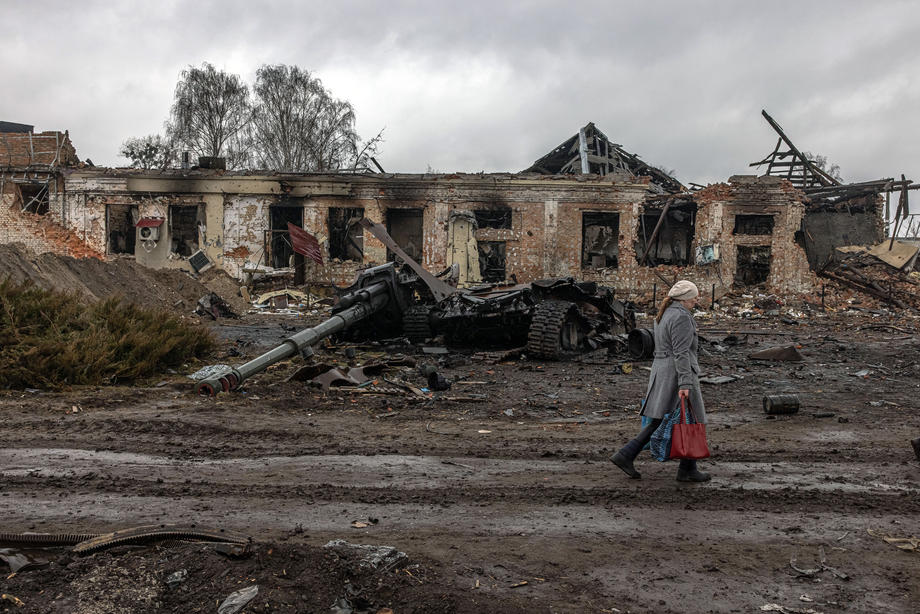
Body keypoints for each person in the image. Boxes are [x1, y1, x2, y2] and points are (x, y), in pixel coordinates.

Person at [611, 280, 711, 482]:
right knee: (688, 418)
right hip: (677, 373)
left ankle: (630, 455)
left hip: (662, 370)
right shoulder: (682, 317)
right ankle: (685, 469)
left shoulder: (664, 313)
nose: (696, 300)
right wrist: (685, 383)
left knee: (666, 418)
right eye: (694, 296)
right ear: (684, 298)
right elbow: (681, 352)